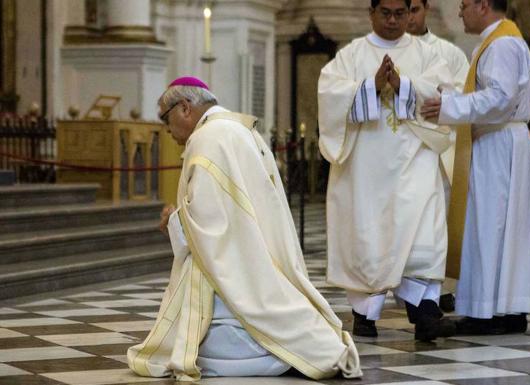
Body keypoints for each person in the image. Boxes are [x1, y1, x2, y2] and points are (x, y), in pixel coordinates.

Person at [127, 77, 361, 381]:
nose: (166, 129)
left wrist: (176, 218)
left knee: (214, 345)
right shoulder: (238, 129)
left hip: (235, 268)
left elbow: (210, 222)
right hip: (256, 253)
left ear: (184, 107)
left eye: (165, 118)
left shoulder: (207, 138)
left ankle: (274, 352)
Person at [318, 0, 456, 342]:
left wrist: (404, 85)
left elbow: (444, 93)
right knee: (371, 240)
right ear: (372, 13)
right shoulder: (351, 55)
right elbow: (329, 95)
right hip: (367, 170)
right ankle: (365, 316)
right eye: (386, 13)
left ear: (410, 13)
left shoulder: (426, 55)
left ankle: (426, 314)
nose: (394, 21)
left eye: (400, 13)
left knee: (424, 235)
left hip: (415, 163)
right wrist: (371, 86)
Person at [421, 0, 530, 335]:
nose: (461, 12)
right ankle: (505, 309)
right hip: (501, 141)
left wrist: (450, 106)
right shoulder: (500, 40)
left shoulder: (502, 43)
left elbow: (500, 98)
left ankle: (487, 313)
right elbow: (493, 95)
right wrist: (453, 97)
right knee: (500, 226)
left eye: (464, 5)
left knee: (490, 224)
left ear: (482, 5)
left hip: (498, 143)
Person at [407, 0, 470, 313]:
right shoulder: (378, 53)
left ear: (426, 8)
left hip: (436, 154)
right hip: (398, 156)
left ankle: (438, 292)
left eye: (414, 9)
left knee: (436, 225)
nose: (409, 17)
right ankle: (380, 298)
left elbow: (463, 96)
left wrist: (440, 99)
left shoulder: (449, 54)